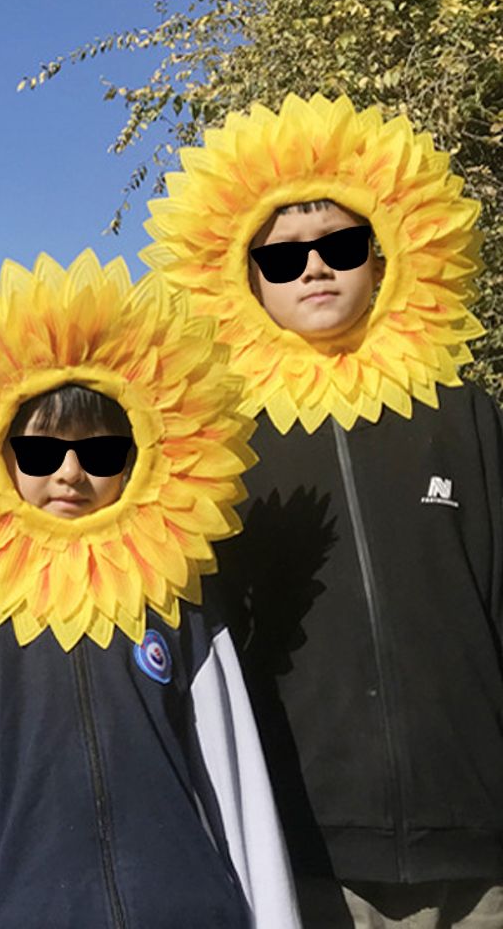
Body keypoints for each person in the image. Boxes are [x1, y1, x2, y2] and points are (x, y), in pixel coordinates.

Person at [143, 93, 503, 927]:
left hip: (481, 843)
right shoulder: (215, 445)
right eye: (282, 258)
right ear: (242, 275)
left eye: (340, 245)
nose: (314, 268)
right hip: (304, 852)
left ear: (382, 255)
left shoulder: (462, 414)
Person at [0, 251, 300, 928]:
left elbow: (236, 781)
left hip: (187, 910)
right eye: (42, 454)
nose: (71, 474)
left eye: (100, 453)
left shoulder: (177, 592)